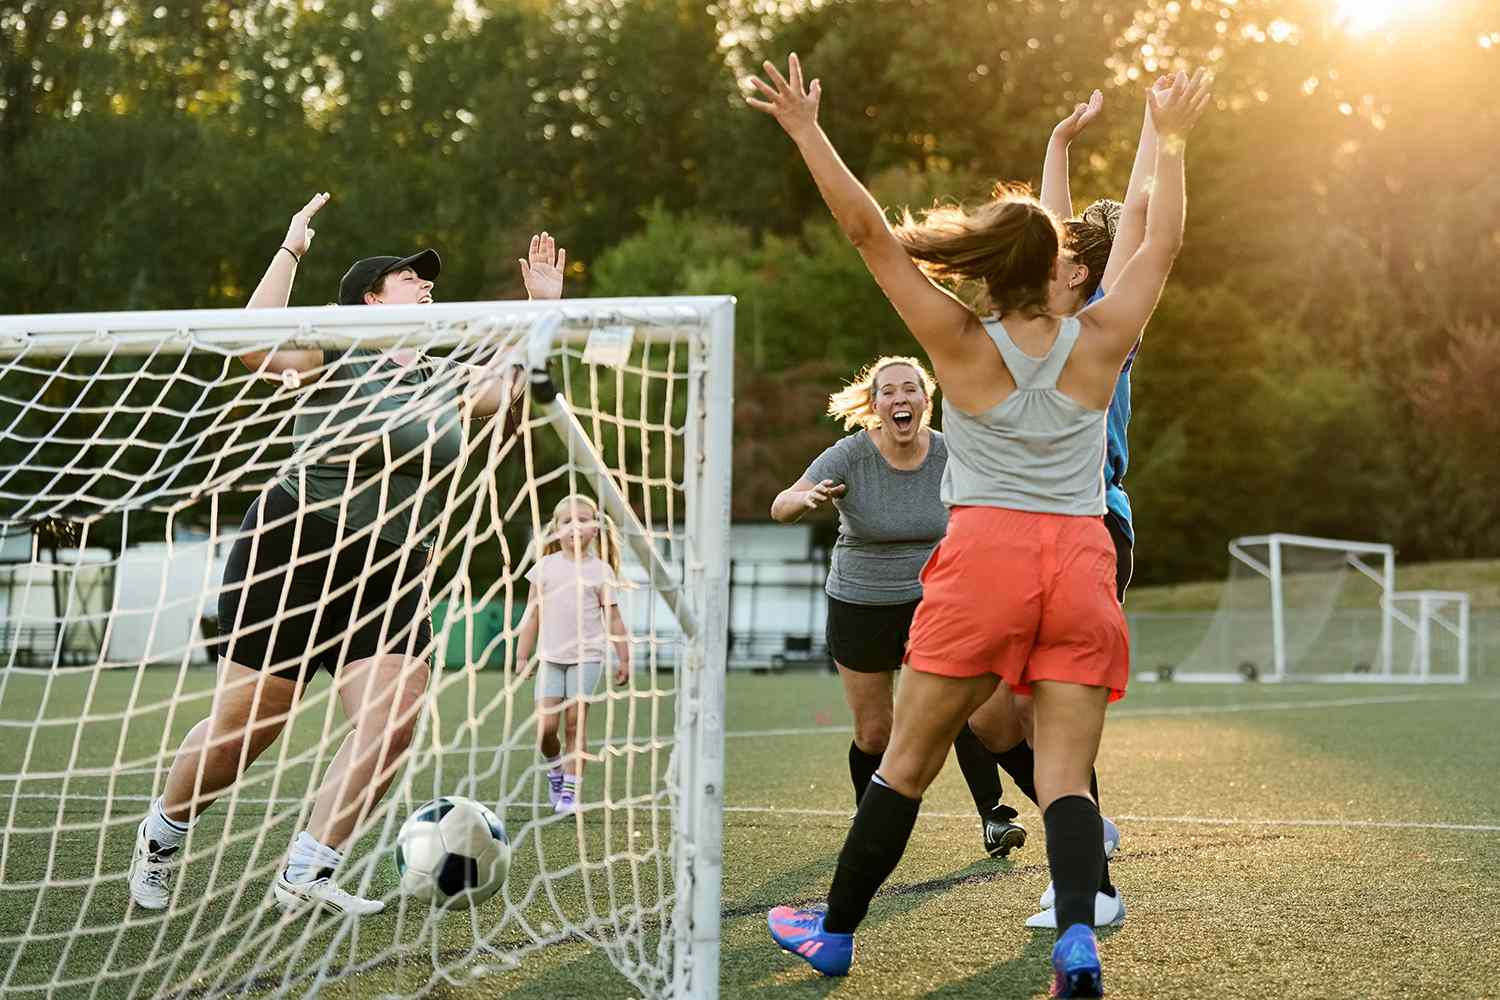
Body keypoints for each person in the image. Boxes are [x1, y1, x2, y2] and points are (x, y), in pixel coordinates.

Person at [747, 55, 1211, 995]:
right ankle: (1076, 938)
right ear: (1057, 267)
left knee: (907, 763)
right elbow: (1159, 245)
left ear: (985, 267)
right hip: (1081, 557)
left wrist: (806, 131)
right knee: (1067, 779)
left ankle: (833, 931)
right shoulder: (1104, 337)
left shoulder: (958, 344)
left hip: (985, 556)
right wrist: (1173, 137)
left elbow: (868, 232)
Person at [126, 192, 569, 916]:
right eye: (408, 278)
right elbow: (252, 343)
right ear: (368, 298)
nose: (427, 285)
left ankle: (307, 870)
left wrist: (541, 308)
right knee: (251, 729)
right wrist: (291, 247)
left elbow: (514, 387)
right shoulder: (336, 351)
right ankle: (164, 832)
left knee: (394, 721)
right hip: (298, 543)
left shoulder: (444, 381)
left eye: (429, 280)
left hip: (394, 565)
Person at [969, 77, 1174, 929]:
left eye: (1063, 254)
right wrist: (1056, 143)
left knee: (1048, 703)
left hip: (1093, 520)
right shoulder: (1033, 322)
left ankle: (1083, 882)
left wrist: (1158, 130)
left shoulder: (1102, 329)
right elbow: (1048, 231)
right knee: (988, 719)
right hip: (1024, 527)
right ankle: (1082, 826)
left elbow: (1136, 217)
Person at [771, 355, 1026, 858]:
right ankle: (867, 821)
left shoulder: (952, 454)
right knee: (875, 732)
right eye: (888, 391)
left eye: (910, 389)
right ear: (874, 405)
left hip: (935, 602)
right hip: (860, 601)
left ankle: (994, 816)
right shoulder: (848, 455)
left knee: (960, 710)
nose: (899, 399)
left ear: (925, 403)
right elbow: (782, 503)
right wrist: (805, 500)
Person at [514, 494, 633, 815]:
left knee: (574, 725)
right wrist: (523, 656)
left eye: (584, 520)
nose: (576, 527)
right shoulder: (544, 569)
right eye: (568, 521)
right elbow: (532, 616)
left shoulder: (601, 571)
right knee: (546, 730)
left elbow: (614, 618)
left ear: (596, 529)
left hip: (588, 658)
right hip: (551, 659)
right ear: (555, 529)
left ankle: (570, 793)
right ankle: (555, 771)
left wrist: (624, 657)